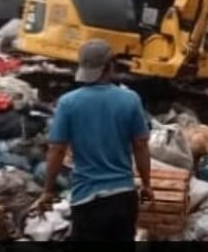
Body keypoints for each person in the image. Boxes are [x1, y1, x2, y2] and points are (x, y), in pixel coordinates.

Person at [31, 39, 153, 241]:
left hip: (87, 198)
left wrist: (48, 190)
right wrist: (147, 184)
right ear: (110, 66)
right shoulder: (130, 99)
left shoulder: (68, 103)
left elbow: (57, 149)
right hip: (123, 195)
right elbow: (140, 145)